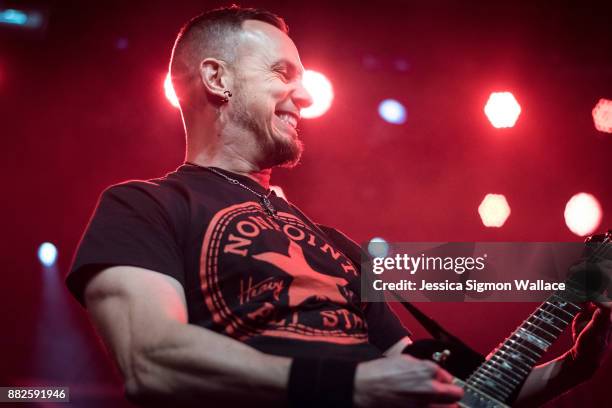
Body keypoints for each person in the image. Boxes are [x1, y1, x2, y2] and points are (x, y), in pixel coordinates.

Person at [66, 5, 610, 407]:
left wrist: (566, 370)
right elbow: (151, 359)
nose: (304, 97)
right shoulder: (144, 206)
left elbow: (450, 392)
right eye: (283, 73)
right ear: (216, 78)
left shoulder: (339, 245)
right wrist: (349, 384)